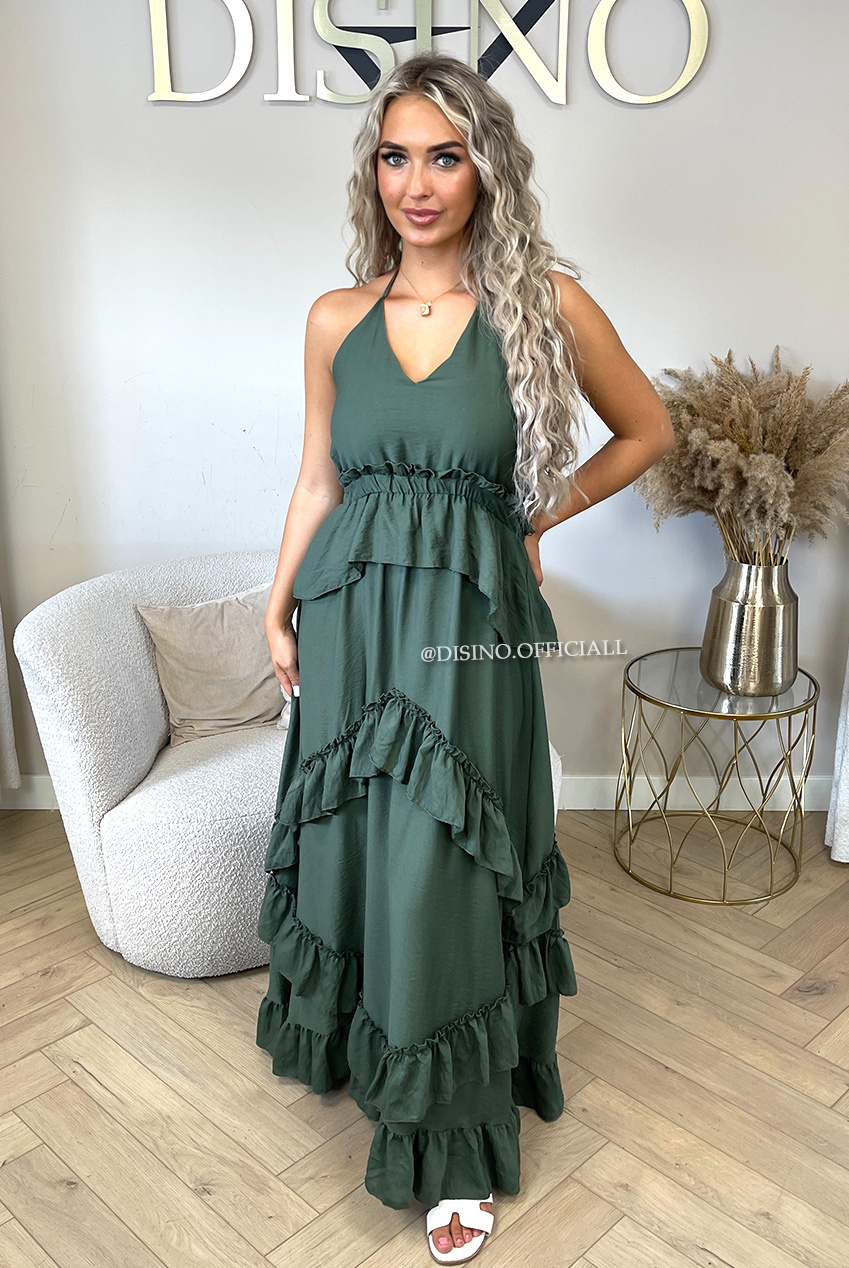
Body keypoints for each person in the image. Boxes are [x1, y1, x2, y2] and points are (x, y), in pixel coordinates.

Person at [255, 51, 674, 1263]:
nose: (418, 183)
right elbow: (317, 480)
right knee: (355, 838)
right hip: (348, 615)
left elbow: (647, 431)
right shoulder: (334, 318)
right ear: (373, 172)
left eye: (445, 156)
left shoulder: (544, 304)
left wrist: (535, 518)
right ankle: (360, 1040)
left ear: (486, 168)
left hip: (466, 631)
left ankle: (450, 1134)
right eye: (396, 156)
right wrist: (277, 606)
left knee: (443, 855)